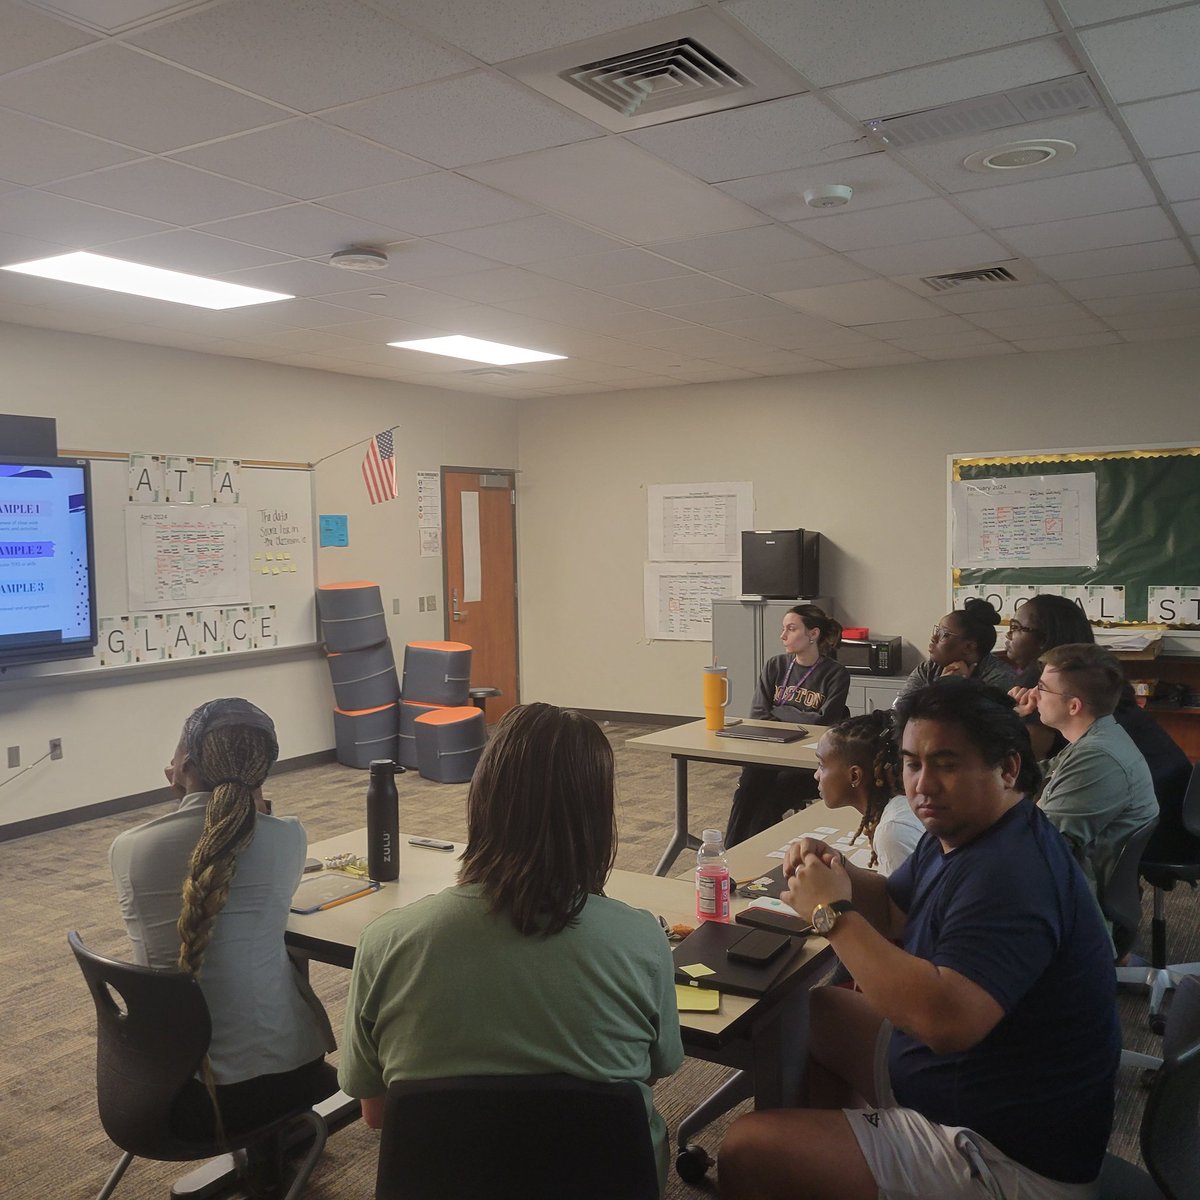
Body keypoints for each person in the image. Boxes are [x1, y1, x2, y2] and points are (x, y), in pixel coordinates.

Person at [718, 679, 1119, 1200]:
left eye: (946, 765)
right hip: (970, 1084)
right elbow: (891, 911)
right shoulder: (963, 831)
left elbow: (944, 1021)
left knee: (747, 1148)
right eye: (912, 764)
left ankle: (825, 1164)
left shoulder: (1011, 875)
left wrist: (830, 912)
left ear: (1007, 768)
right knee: (820, 1014)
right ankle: (843, 1166)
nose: (923, 785)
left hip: (1008, 1156)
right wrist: (838, 871)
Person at [339, 702, 683, 1193]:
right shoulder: (643, 939)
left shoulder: (385, 943)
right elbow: (649, 1074)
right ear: (597, 817)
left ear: (480, 800)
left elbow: (376, 1112)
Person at [109, 698, 337, 1143]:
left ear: (184, 766)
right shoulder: (287, 840)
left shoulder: (128, 849)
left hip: (156, 1084)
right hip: (263, 1085)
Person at [1020, 643, 1159, 908]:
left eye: (1042, 688)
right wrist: (1013, 717)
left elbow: (1040, 844)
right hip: (1064, 879)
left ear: (1074, 706)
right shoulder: (1094, 737)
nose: (1033, 695)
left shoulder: (1098, 758)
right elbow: (1033, 775)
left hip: (1076, 902)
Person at [725, 603, 850, 846]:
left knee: (770, 797)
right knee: (747, 788)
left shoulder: (836, 673)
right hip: (771, 754)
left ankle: (757, 854)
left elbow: (823, 721)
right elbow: (759, 714)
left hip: (807, 763)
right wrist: (800, 715)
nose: (783, 636)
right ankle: (730, 853)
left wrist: (780, 711)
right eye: (783, 629)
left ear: (813, 634)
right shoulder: (775, 665)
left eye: (791, 629)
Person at [812, 709, 923, 875]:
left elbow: (906, 893)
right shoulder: (895, 809)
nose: (816, 775)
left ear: (854, 776)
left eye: (821, 765)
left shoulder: (893, 831)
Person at [1004, 593, 1095, 760]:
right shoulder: (1091, 671)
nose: (1008, 635)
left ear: (1043, 640)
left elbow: (1027, 757)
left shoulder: (1039, 680)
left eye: (1016, 628)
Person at [897, 597, 1015, 701]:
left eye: (944, 634)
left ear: (968, 647)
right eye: (937, 631)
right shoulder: (928, 669)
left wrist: (951, 689)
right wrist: (941, 685)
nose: (933, 638)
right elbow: (898, 711)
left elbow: (978, 719)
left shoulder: (1000, 678)